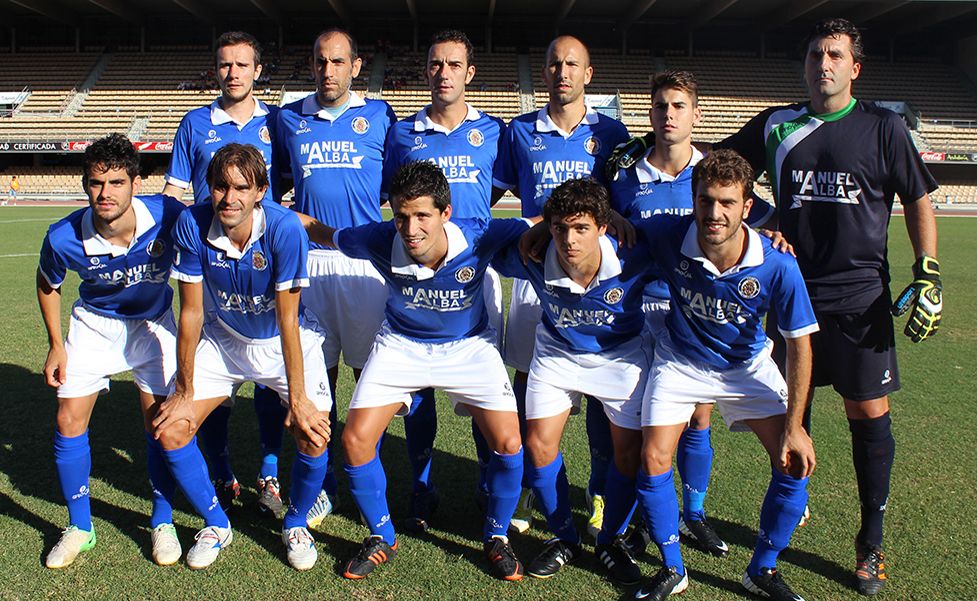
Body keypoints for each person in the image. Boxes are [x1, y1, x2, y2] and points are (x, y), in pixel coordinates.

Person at [714, 18, 940, 596]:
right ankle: (790, 513)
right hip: (790, 294)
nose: (824, 64)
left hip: (861, 299)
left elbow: (917, 200)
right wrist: (763, 221)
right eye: (816, 54)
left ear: (854, 67)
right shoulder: (777, 124)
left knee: (868, 415)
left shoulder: (884, 128)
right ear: (806, 64)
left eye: (835, 55)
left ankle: (871, 541)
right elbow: (716, 168)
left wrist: (928, 272)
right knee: (794, 414)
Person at [300, 161, 529, 582]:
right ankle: (381, 534)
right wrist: (276, 215)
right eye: (401, 216)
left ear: (446, 213)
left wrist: (614, 223)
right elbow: (325, 234)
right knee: (354, 440)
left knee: (510, 443)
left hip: (469, 346)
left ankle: (497, 536)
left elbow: (540, 222)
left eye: (422, 215)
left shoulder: (480, 233)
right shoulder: (377, 237)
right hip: (400, 345)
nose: (410, 228)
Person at [631, 149, 818, 601]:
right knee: (653, 458)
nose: (714, 213)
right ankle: (674, 570)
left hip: (745, 367)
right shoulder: (666, 235)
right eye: (705, 201)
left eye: (727, 203)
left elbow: (799, 347)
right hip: (681, 361)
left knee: (794, 464)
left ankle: (763, 570)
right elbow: (613, 231)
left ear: (747, 207)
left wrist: (794, 427)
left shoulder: (777, 263)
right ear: (692, 200)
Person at [609, 70, 774, 558]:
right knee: (644, 424)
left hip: (695, 310)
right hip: (638, 308)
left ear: (696, 115)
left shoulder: (714, 173)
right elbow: (605, 218)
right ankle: (640, 516)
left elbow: (760, 217)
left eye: (678, 106)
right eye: (660, 106)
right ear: (650, 113)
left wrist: (778, 234)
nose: (668, 115)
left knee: (699, 419)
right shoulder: (625, 172)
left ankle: (695, 514)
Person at [153, 143, 333, 571]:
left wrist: (300, 397)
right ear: (208, 189)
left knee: (313, 433)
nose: (229, 198)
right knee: (173, 429)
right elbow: (192, 312)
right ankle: (217, 522)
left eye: (240, 188)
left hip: (283, 340)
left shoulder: (285, 229)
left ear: (261, 192)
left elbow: (288, 321)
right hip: (225, 340)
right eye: (219, 187)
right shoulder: (191, 225)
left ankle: (295, 523)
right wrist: (184, 389)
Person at [491, 34, 630, 535]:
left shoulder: (612, 133)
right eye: (553, 64)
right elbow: (490, 190)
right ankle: (534, 484)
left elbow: (624, 201)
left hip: (594, 279)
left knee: (598, 390)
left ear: (588, 74)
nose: (562, 72)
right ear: (543, 72)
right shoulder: (519, 131)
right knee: (531, 382)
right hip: (538, 276)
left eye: (572, 64)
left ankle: (596, 492)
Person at [493, 178, 655, 585]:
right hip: (557, 352)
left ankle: (610, 541)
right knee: (538, 444)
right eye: (560, 227)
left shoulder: (636, 251)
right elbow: (479, 237)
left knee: (629, 453)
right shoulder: (533, 253)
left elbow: (696, 237)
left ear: (603, 226)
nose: (569, 239)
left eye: (581, 228)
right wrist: (531, 227)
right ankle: (565, 536)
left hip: (621, 354)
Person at [37, 133, 185, 568]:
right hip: (94, 326)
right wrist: (54, 345)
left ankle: (162, 520)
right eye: (96, 183)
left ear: (135, 184)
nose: (106, 193)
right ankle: (81, 526)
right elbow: (49, 283)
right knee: (68, 418)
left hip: (153, 323)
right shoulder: (63, 235)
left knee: (160, 423)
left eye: (116, 182)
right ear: (86, 185)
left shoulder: (168, 215)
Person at [381, 29, 507, 528]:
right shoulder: (402, 134)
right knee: (417, 390)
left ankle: (485, 482)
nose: (444, 73)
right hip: (415, 277)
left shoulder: (495, 132)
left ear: (469, 73)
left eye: (454, 64)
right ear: (426, 70)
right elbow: (392, 195)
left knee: (482, 390)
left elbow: (496, 192)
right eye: (435, 64)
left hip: (476, 277)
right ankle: (422, 485)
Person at [161, 30, 288, 519]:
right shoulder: (194, 123)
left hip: (263, 266)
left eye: (241, 65)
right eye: (223, 65)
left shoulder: (277, 123)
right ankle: (220, 469)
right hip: (208, 264)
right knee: (217, 374)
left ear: (258, 71)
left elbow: (288, 191)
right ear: (215, 70)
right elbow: (174, 193)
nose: (232, 73)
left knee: (266, 369)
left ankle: (270, 469)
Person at [275, 28, 398, 526]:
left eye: (338, 62)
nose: (329, 71)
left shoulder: (381, 117)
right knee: (314, 379)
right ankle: (321, 482)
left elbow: (396, 185)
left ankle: (377, 470)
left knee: (374, 378)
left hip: (365, 268)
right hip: (310, 267)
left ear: (356, 65)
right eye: (321, 61)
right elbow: (272, 185)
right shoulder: (288, 120)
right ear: (312, 64)